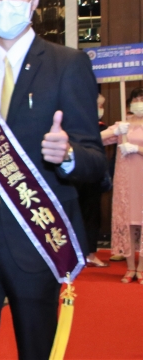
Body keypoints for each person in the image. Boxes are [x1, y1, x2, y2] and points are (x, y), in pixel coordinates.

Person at [0, 0, 105, 359]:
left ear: (34, 0)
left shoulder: (67, 64)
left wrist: (68, 154)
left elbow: (95, 161)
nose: (4, 3)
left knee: (36, 350)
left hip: (36, 236)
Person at [102, 87, 143, 283]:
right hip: (126, 179)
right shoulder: (123, 124)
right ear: (130, 103)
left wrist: (136, 148)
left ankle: (141, 268)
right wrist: (116, 131)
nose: (139, 102)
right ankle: (130, 267)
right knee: (128, 223)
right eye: (136, 99)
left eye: (142, 98)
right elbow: (97, 139)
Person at [75, 94, 109, 268]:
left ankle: (90, 254)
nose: (100, 109)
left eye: (102, 106)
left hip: (93, 177)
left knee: (92, 215)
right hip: (75, 176)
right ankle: (76, 253)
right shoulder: (77, 123)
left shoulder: (102, 127)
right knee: (76, 214)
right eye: (98, 105)